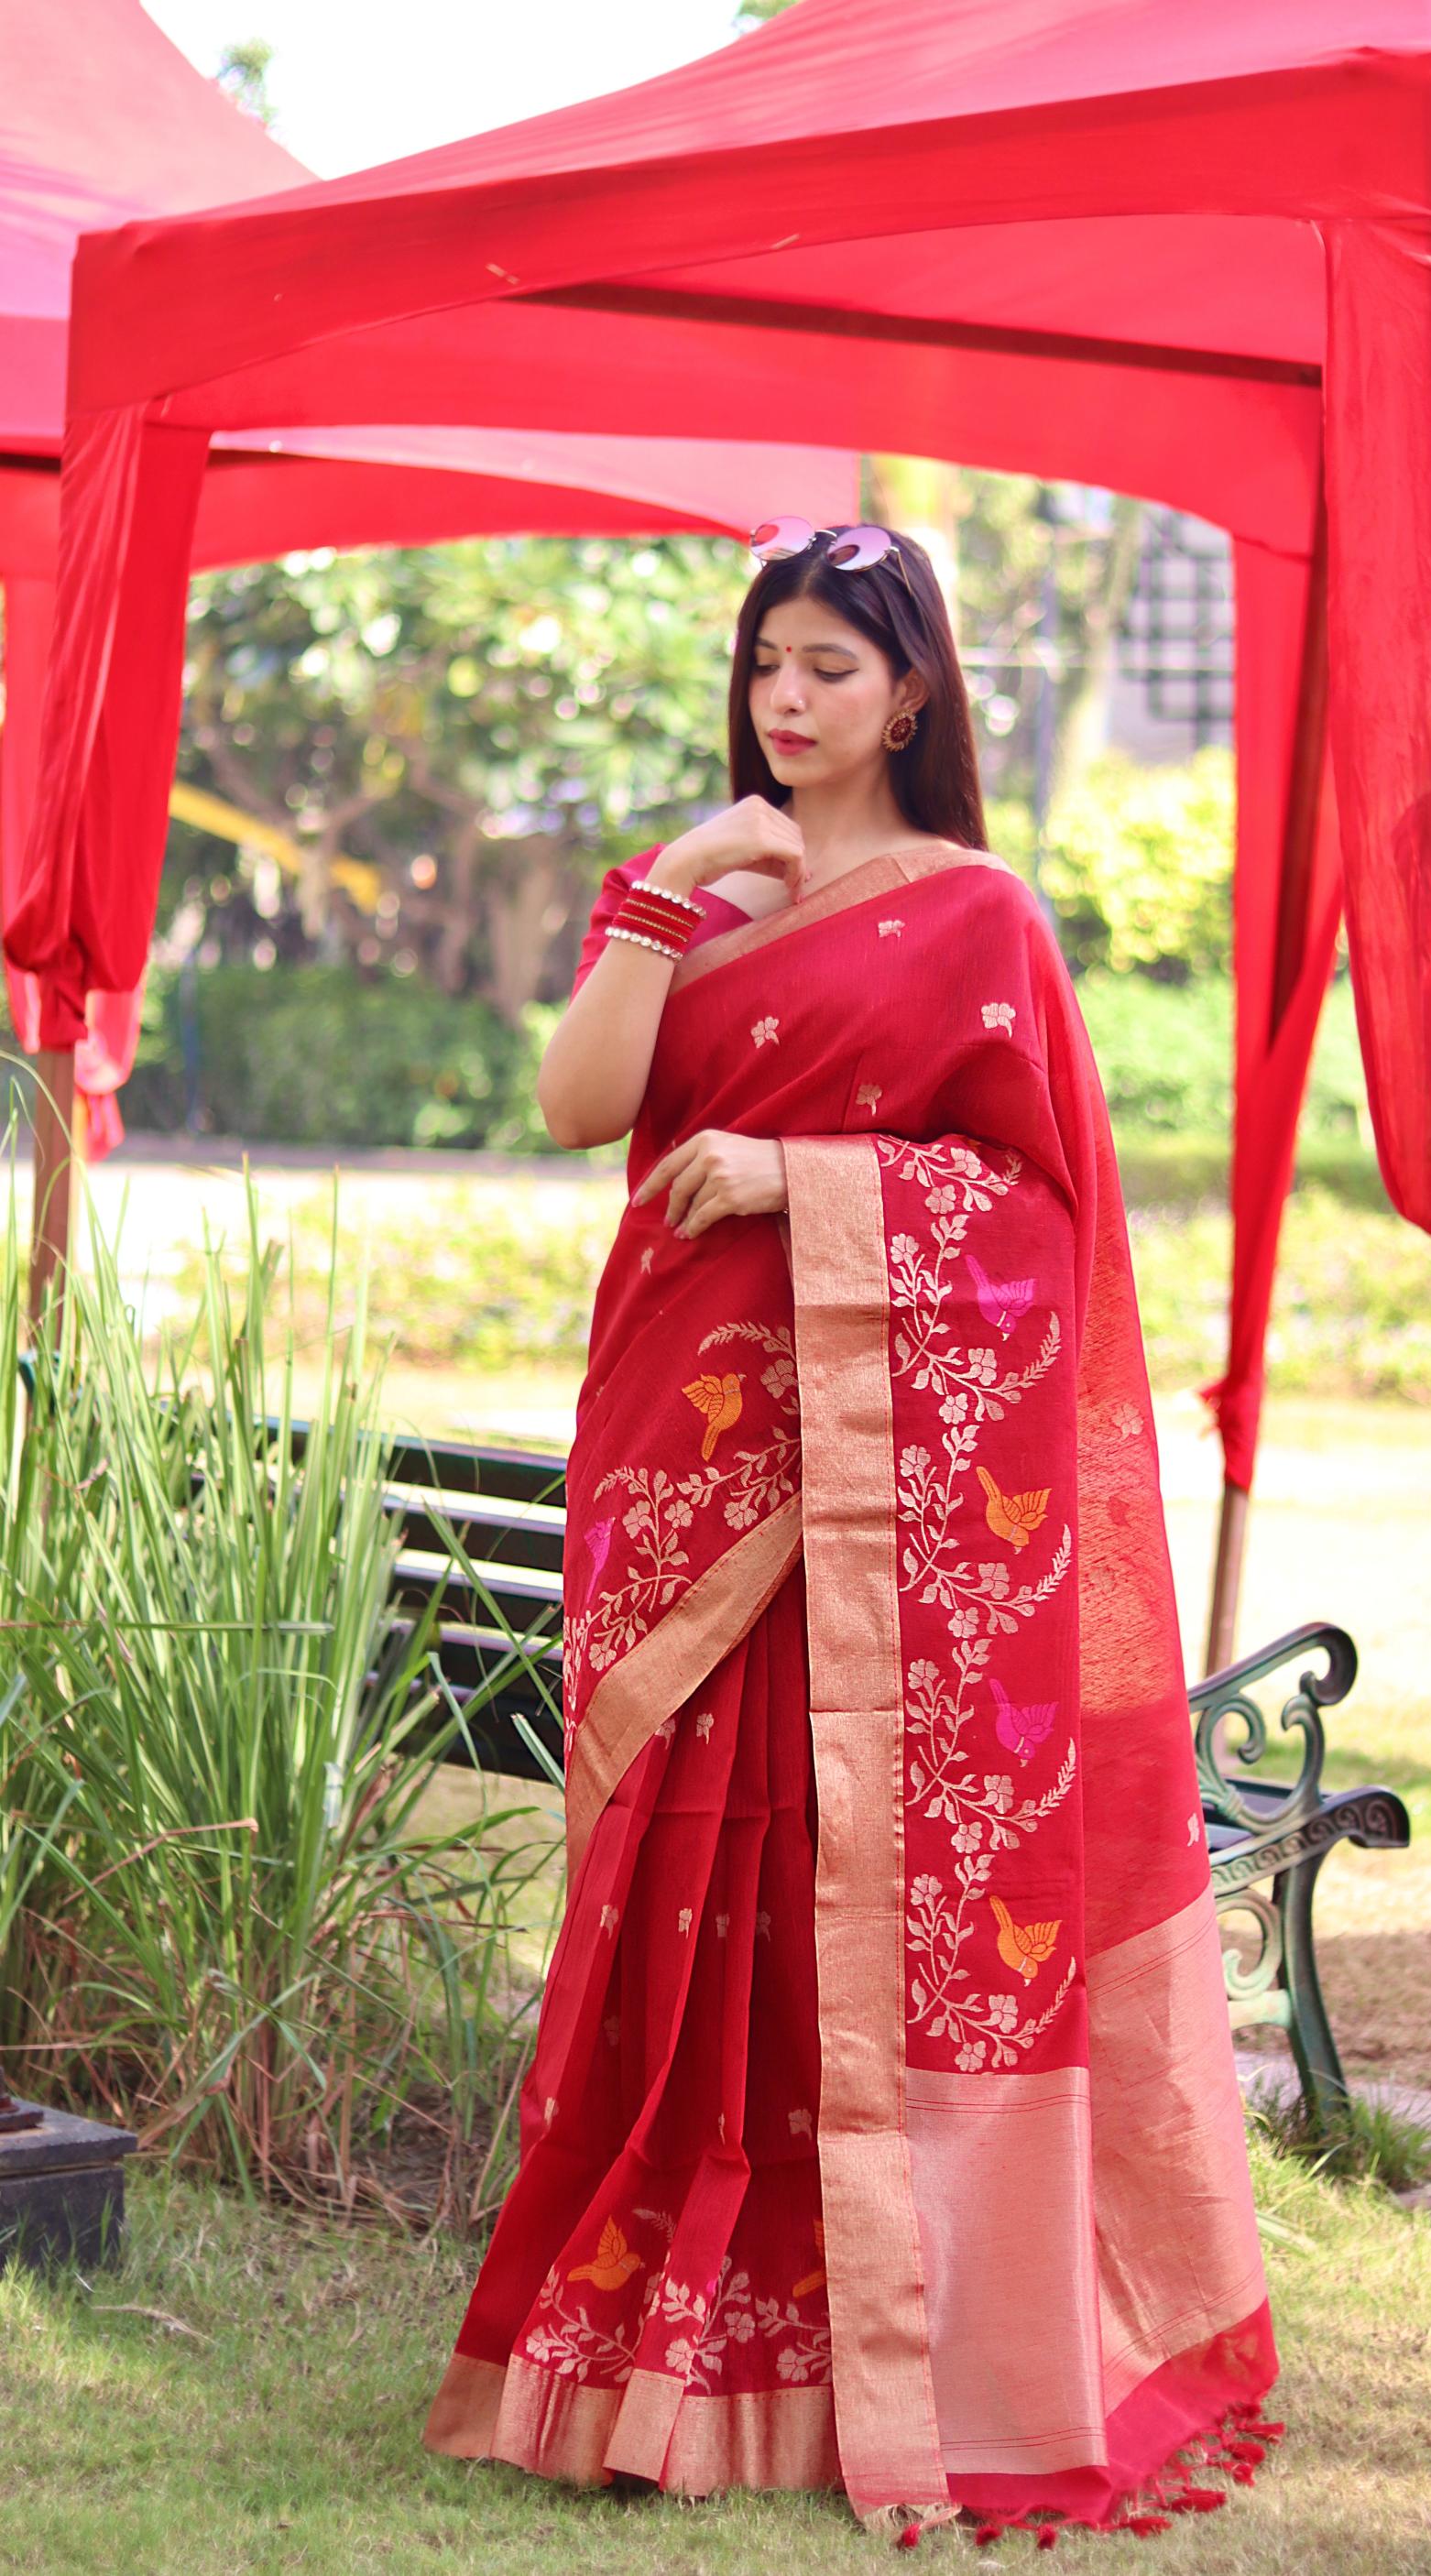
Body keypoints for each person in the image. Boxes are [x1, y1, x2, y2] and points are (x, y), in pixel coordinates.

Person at [422, 519, 1281, 2542]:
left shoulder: (976, 915)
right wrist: (658, 894)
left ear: (911, 691)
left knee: (841, 1902)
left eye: (827, 667)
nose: (785, 702)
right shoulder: (695, 899)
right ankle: (647, 2355)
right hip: (680, 1464)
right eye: (764, 667)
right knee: (672, 1893)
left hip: (873, 1514)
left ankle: (864, 2353)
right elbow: (574, 1104)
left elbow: (1045, 1232)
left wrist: (803, 1179)